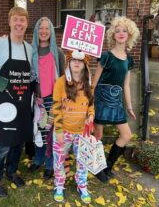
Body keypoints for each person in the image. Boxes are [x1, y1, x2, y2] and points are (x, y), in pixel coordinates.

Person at [0, 7, 33, 197]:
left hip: (22, 105)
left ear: (27, 24)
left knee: (18, 142)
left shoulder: (29, 49)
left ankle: (11, 171)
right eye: (16, 20)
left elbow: (31, 77)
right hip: (2, 105)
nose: (19, 24)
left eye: (23, 20)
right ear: (10, 22)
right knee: (2, 144)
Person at [92, 16, 140, 183]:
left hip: (116, 101)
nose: (121, 33)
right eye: (117, 31)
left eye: (124, 31)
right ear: (113, 35)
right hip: (101, 99)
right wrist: (89, 103)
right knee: (98, 135)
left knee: (126, 135)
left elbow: (126, 85)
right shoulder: (106, 56)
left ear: (129, 35)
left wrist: (129, 107)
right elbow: (94, 82)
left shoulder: (129, 60)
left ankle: (107, 166)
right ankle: (97, 168)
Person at [52, 50, 94, 204]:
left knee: (83, 161)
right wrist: (59, 130)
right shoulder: (60, 82)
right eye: (73, 59)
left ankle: (82, 185)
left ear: (85, 64)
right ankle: (59, 184)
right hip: (64, 131)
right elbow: (56, 107)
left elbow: (91, 104)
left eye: (80, 60)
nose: (76, 62)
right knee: (59, 160)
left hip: (82, 132)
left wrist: (91, 115)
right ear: (68, 62)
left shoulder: (88, 83)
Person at [29, 17, 65, 180]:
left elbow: (64, 77)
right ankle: (38, 158)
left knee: (51, 130)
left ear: (51, 31)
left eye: (47, 28)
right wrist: (35, 93)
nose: (43, 31)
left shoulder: (58, 52)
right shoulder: (30, 51)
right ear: (36, 31)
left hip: (53, 98)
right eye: (40, 28)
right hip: (36, 98)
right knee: (38, 130)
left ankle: (50, 163)